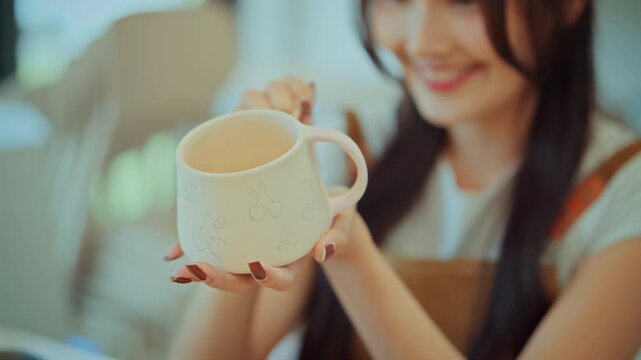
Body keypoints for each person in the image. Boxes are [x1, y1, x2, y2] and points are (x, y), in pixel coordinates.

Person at [166, 0, 641, 359]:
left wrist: (354, 257)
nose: (422, 43)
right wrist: (235, 210)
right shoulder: (347, 145)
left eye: (462, 1)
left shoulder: (623, 188)